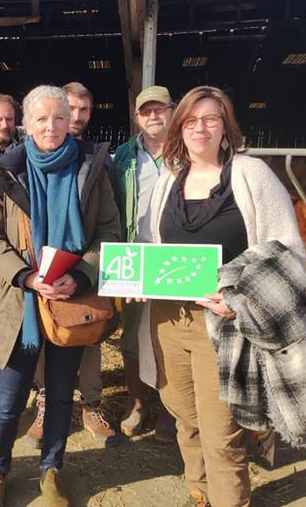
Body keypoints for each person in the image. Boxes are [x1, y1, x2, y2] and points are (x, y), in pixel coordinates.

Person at [138, 86, 305, 507]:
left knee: (220, 432)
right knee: (183, 417)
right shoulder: (169, 181)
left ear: (226, 127)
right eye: (191, 121)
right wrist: (139, 279)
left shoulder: (251, 176)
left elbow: (288, 252)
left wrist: (242, 301)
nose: (200, 128)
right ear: (180, 128)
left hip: (226, 325)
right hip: (168, 319)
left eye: (210, 119)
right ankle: (200, 493)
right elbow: (153, 245)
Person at [0, 85, 120, 506]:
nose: (51, 126)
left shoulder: (92, 168)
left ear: (70, 121)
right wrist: (23, 275)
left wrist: (81, 273)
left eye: (59, 118)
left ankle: (51, 470)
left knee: (60, 394)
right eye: (41, 119)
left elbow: (110, 231)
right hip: (20, 300)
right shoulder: (7, 171)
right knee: (10, 393)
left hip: (69, 300)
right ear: (27, 125)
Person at [26, 81, 117, 448]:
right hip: (40, 271)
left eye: (78, 112)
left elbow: (109, 221)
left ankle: (91, 403)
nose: (70, 119)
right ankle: (45, 402)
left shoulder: (96, 159)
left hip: (82, 268)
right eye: (67, 111)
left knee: (88, 332)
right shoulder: (20, 163)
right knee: (44, 333)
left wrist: (85, 271)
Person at [112, 85, 177, 441]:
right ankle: (138, 403)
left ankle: (171, 408)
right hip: (135, 255)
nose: (153, 116)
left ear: (172, 110)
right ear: (137, 117)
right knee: (133, 335)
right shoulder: (123, 156)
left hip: (173, 258)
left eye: (160, 110)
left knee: (170, 334)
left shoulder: (188, 152)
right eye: (146, 111)